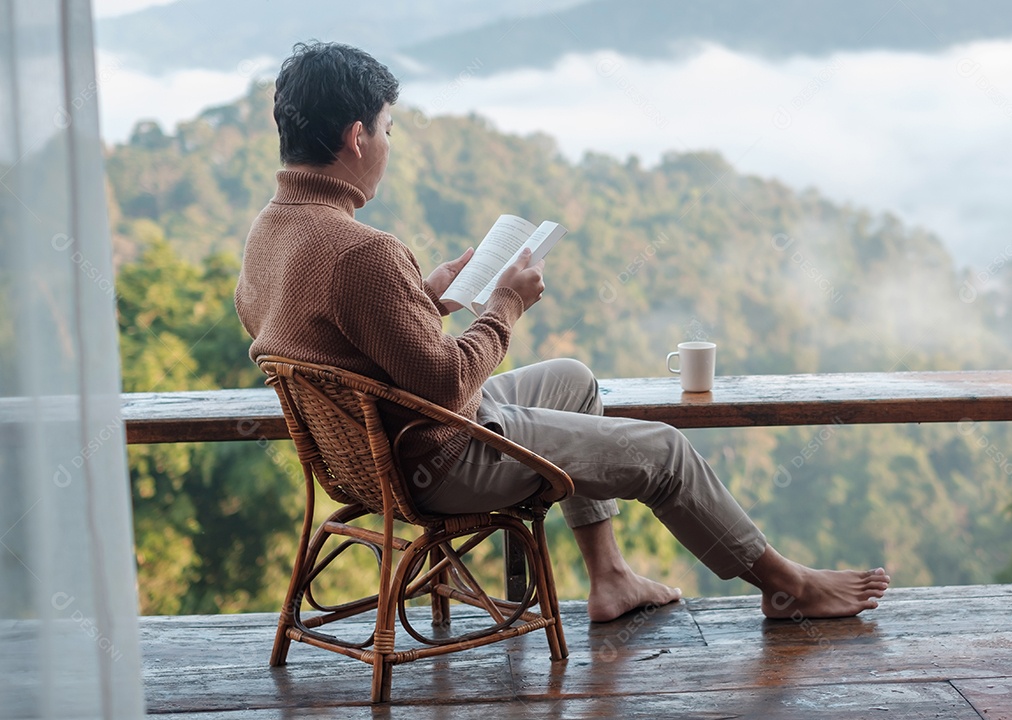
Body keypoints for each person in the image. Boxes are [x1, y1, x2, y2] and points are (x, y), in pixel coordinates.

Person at [235, 41, 890, 623]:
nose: (388, 145)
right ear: (356, 137)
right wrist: (505, 305)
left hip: (368, 455)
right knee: (664, 453)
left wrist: (424, 300)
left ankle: (611, 577)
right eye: (387, 129)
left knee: (574, 380)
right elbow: (446, 384)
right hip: (438, 457)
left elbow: (330, 343)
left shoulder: (269, 232)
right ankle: (787, 586)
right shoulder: (361, 252)